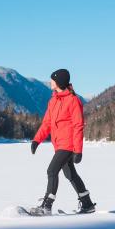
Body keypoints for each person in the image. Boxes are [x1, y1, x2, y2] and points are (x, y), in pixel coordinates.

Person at [29, 69, 96, 216]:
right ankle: (87, 204)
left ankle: (46, 206)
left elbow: (78, 125)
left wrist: (78, 150)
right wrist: (36, 140)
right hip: (58, 144)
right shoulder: (53, 101)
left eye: (52, 80)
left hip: (68, 144)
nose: (50, 82)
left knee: (52, 170)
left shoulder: (73, 100)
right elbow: (47, 123)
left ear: (58, 82)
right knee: (70, 174)